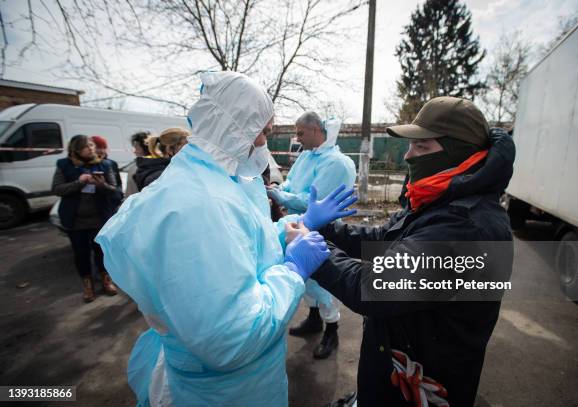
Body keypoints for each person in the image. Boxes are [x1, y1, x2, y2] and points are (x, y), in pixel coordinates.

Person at [95, 71, 355, 406]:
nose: (264, 142)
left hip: (244, 381)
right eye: (262, 132)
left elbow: (243, 242)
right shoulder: (199, 204)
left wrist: (287, 229)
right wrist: (292, 271)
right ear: (234, 127)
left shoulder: (220, 178)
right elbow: (233, 338)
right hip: (226, 392)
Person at [299, 97, 516, 406]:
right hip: (396, 366)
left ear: (459, 154)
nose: (408, 156)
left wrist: (316, 251)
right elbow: (384, 238)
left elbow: (373, 287)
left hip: (423, 385)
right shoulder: (439, 199)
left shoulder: (469, 228)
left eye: (422, 147)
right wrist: (326, 229)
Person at [267, 112, 357, 359]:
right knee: (306, 277)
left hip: (322, 228)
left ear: (317, 131)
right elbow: (292, 183)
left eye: (300, 132)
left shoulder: (336, 163)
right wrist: (279, 188)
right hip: (297, 225)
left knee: (325, 280)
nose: (297, 138)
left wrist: (279, 197)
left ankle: (332, 330)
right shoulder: (307, 156)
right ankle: (315, 319)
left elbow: (314, 202)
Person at [51, 135, 119, 302]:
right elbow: (57, 189)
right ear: (75, 149)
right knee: (80, 253)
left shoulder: (105, 164)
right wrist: (79, 182)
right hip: (75, 220)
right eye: (85, 146)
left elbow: (115, 190)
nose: (90, 148)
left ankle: (106, 279)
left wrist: (101, 185)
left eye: (91, 145)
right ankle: (87, 285)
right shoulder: (64, 165)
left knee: (101, 251)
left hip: (99, 218)